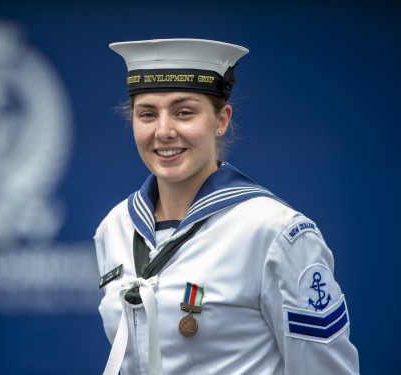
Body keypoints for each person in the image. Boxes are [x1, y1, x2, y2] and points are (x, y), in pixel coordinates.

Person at [94, 38, 360, 375]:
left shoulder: (275, 233)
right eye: (147, 114)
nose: (163, 131)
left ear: (221, 120)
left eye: (184, 112)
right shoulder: (114, 227)